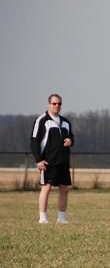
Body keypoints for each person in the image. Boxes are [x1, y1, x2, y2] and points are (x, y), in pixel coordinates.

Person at [31, 94, 74, 224]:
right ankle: (43, 217)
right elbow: (34, 141)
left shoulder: (66, 122)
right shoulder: (42, 120)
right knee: (47, 187)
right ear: (49, 104)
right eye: (54, 103)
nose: (57, 106)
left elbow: (72, 138)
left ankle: (61, 218)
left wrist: (70, 141)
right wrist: (38, 159)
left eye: (59, 104)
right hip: (48, 161)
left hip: (63, 161)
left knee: (64, 188)